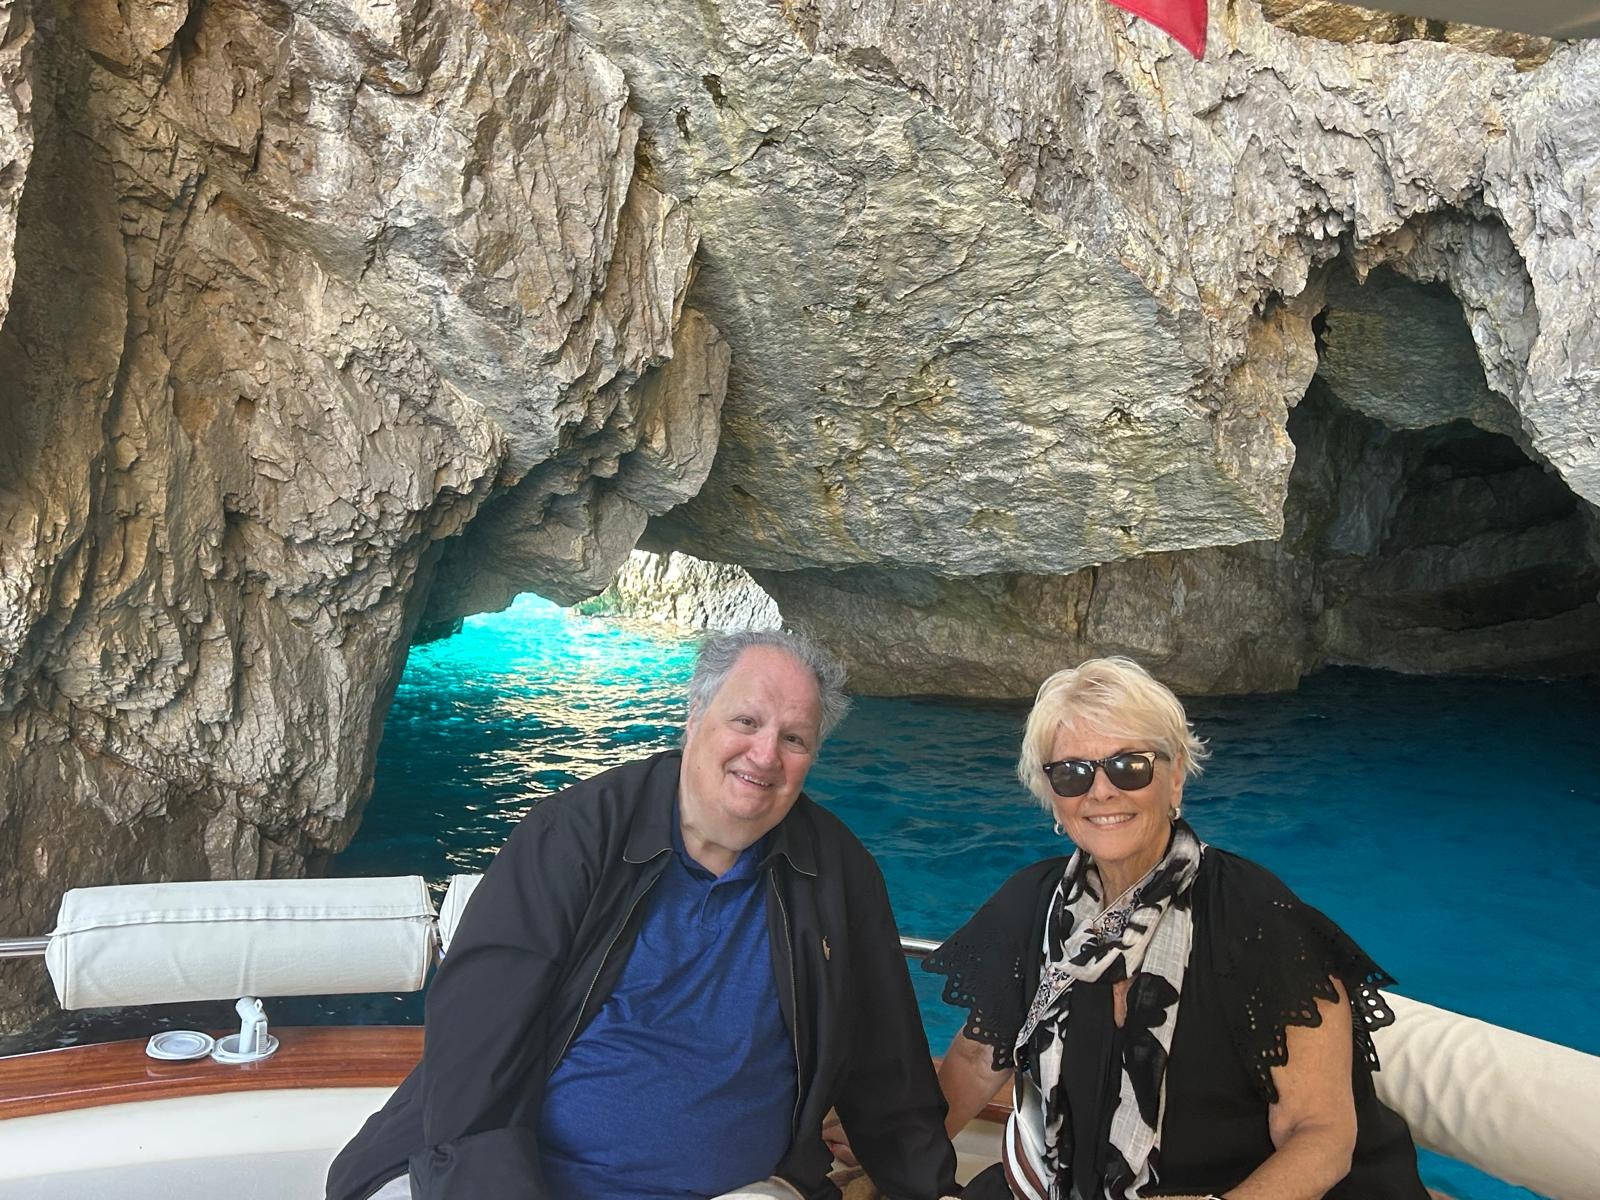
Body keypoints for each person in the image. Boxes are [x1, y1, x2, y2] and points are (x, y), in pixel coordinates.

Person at [326, 629, 959, 1200]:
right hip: (518, 1177)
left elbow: (887, 1058)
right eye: (746, 721)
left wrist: (930, 1188)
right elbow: (475, 1050)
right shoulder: (575, 836)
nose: (765, 755)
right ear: (695, 717)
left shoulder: (836, 870)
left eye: (794, 739)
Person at [923, 657, 1429, 1200]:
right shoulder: (1033, 905)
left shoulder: (1257, 922)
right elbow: (978, 1058)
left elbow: (1321, 1135)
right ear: (1052, 795)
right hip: (1065, 1182)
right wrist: (895, 1157)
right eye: (1072, 773)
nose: (1101, 792)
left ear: (1176, 776)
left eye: (1129, 766)